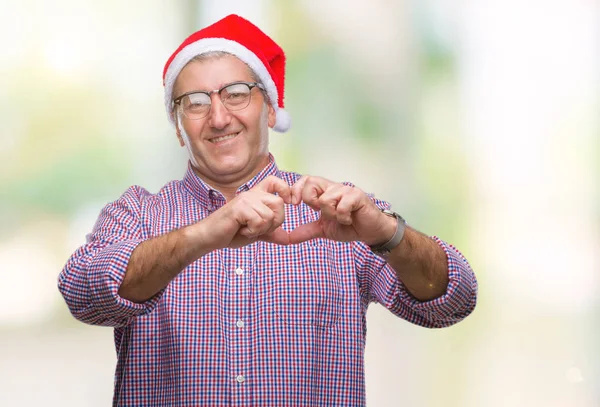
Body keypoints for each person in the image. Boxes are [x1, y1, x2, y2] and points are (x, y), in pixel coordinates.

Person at [58, 14, 477, 407]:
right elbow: (83, 295)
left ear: (272, 109)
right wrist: (205, 233)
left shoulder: (338, 214)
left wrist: (387, 232)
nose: (219, 117)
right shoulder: (137, 214)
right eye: (197, 102)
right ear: (178, 126)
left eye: (237, 95)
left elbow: (453, 301)